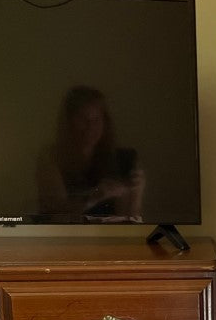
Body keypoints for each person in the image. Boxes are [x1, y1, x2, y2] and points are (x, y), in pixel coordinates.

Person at [36, 85, 144, 220]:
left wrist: (136, 194)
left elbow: (128, 222)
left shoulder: (120, 159)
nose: (90, 126)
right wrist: (95, 196)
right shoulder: (51, 157)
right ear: (69, 122)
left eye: (97, 119)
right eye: (83, 118)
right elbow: (56, 216)